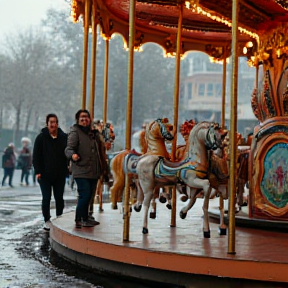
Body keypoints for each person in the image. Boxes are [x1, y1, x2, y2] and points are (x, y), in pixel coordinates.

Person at [65, 109, 109, 229]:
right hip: (81, 168)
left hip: (93, 169)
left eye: (86, 117)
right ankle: (80, 218)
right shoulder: (75, 132)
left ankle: (87, 216)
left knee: (90, 195)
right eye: (82, 118)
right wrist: (73, 155)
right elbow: (68, 148)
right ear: (78, 120)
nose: (84, 120)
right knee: (85, 194)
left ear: (90, 119)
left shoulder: (93, 133)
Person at [33, 113, 68, 231]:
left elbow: (68, 153)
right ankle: (47, 220)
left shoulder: (64, 138)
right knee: (46, 197)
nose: (53, 124)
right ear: (47, 124)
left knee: (59, 197)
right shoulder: (41, 138)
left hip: (60, 173)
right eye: (51, 122)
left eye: (55, 122)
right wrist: (38, 171)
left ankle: (59, 217)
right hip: (45, 174)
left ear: (57, 124)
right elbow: (36, 156)